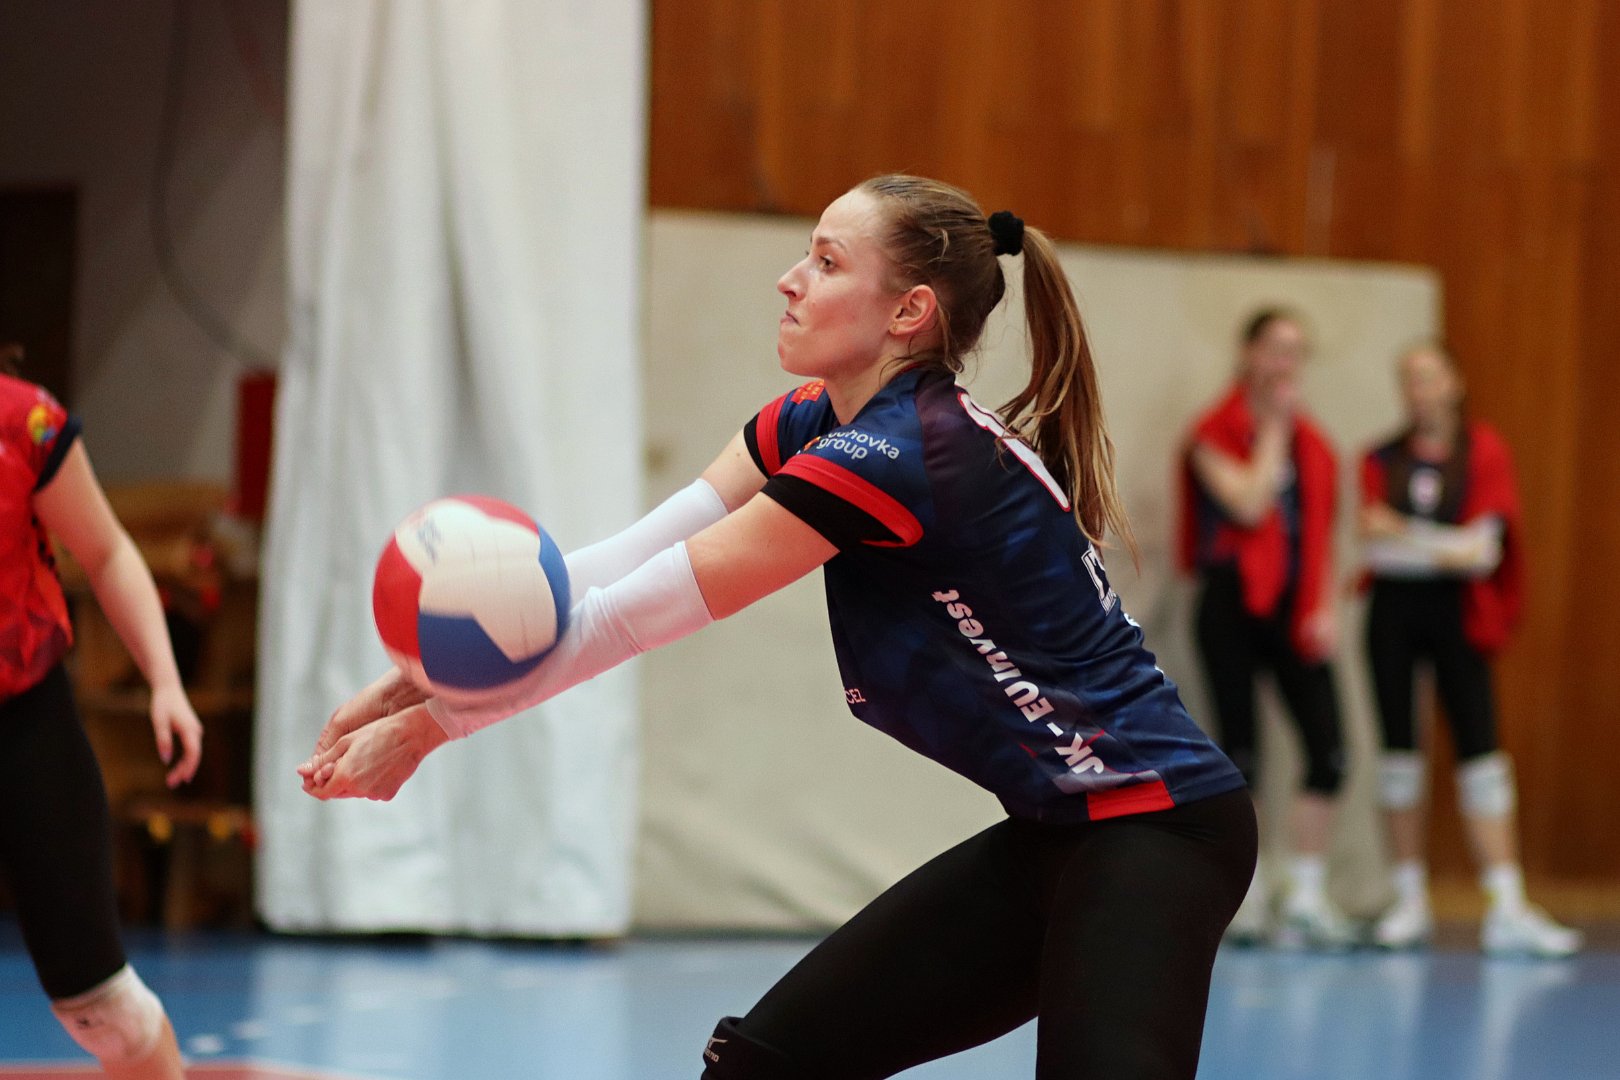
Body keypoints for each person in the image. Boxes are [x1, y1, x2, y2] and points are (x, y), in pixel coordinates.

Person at [301, 175, 1256, 1080]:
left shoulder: (902, 453)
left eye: (828, 263)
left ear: (909, 312)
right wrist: (431, 672)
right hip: (1059, 828)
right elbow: (624, 561)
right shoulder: (814, 420)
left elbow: (636, 616)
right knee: (768, 1066)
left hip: (1158, 831)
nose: (790, 280)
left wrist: (432, 731)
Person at [0, 345, 203, 1078]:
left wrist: (165, 682)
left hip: (24, 722)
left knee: (105, 1011)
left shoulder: (25, 423)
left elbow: (108, 553)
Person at [1359, 343, 1580, 957]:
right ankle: (1408, 900)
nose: (1419, 391)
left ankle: (1506, 904)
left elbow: (1481, 553)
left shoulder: (1484, 452)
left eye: (1430, 377)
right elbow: (1374, 550)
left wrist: (1406, 532)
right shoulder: (1380, 457)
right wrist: (1445, 545)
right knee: (1398, 753)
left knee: (1481, 753)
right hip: (1393, 616)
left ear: (1454, 384)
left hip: (1460, 616)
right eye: (1409, 379)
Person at [1177, 309, 1353, 949]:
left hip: (1293, 606)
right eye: (1276, 348)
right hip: (1230, 601)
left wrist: (1324, 605)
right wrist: (1275, 428)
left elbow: (1321, 534)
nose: (1287, 363)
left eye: (1297, 351)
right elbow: (1249, 503)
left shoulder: (1318, 448)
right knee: (1241, 754)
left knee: (1329, 750)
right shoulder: (1213, 432)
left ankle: (1305, 893)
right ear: (1249, 352)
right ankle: (1246, 897)